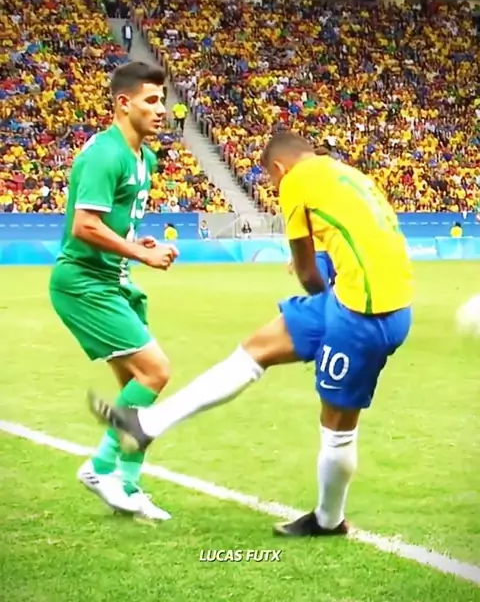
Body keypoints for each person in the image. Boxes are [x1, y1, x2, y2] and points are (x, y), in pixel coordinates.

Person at [88, 132, 413, 536]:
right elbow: (363, 238)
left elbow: (307, 272)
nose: (276, 190)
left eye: (272, 182)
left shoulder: (296, 180)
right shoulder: (344, 173)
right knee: (256, 349)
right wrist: (326, 278)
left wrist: (320, 289)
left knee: (337, 424)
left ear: (279, 169)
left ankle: (329, 520)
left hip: (366, 314)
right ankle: (147, 424)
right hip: (372, 296)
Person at [49, 61, 179, 520]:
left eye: (163, 100)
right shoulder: (105, 154)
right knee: (155, 372)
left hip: (113, 281)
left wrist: (138, 243)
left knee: (136, 389)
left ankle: (128, 485)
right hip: (84, 283)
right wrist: (140, 254)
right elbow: (85, 226)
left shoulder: (145, 159)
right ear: (124, 104)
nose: (161, 109)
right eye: (151, 100)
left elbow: (114, 223)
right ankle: (100, 468)